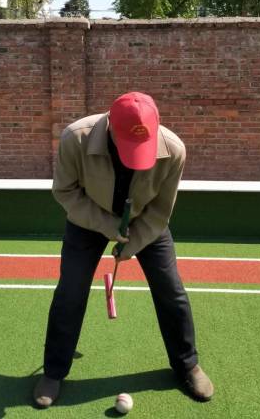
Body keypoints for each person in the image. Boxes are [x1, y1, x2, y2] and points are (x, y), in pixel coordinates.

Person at [33, 92, 214, 407]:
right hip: (88, 218)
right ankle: (54, 371)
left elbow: (160, 211)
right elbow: (65, 191)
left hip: (146, 220)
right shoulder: (75, 139)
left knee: (171, 291)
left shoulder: (173, 150)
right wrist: (109, 226)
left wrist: (135, 241)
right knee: (70, 292)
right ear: (110, 127)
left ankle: (187, 364)